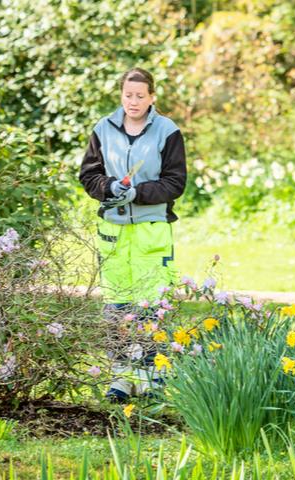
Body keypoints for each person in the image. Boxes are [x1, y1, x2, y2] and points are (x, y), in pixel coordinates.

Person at [78, 67, 186, 402]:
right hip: (113, 232)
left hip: (151, 232)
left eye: (140, 96)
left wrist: (137, 192)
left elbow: (174, 183)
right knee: (116, 305)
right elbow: (88, 174)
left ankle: (152, 378)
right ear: (121, 96)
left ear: (152, 97)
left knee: (151, 306)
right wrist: (108, 188)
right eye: (128, 95)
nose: (133, 102)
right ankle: (122, 379)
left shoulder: (167, 131)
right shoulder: (103, 128)